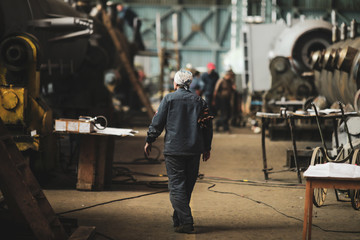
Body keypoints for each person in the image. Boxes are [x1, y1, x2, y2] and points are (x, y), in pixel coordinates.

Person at [144, 69, 213, 234]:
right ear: (189, 84)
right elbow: (208, 127)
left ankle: (186, 222)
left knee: (176, 187)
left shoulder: (168, 99)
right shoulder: (200, 101)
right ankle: (178, 220)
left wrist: (149, 139)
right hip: (194, 149)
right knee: (186, 186)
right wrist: (207, 147)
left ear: (175, 83)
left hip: (174, 150)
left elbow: (157, 121)